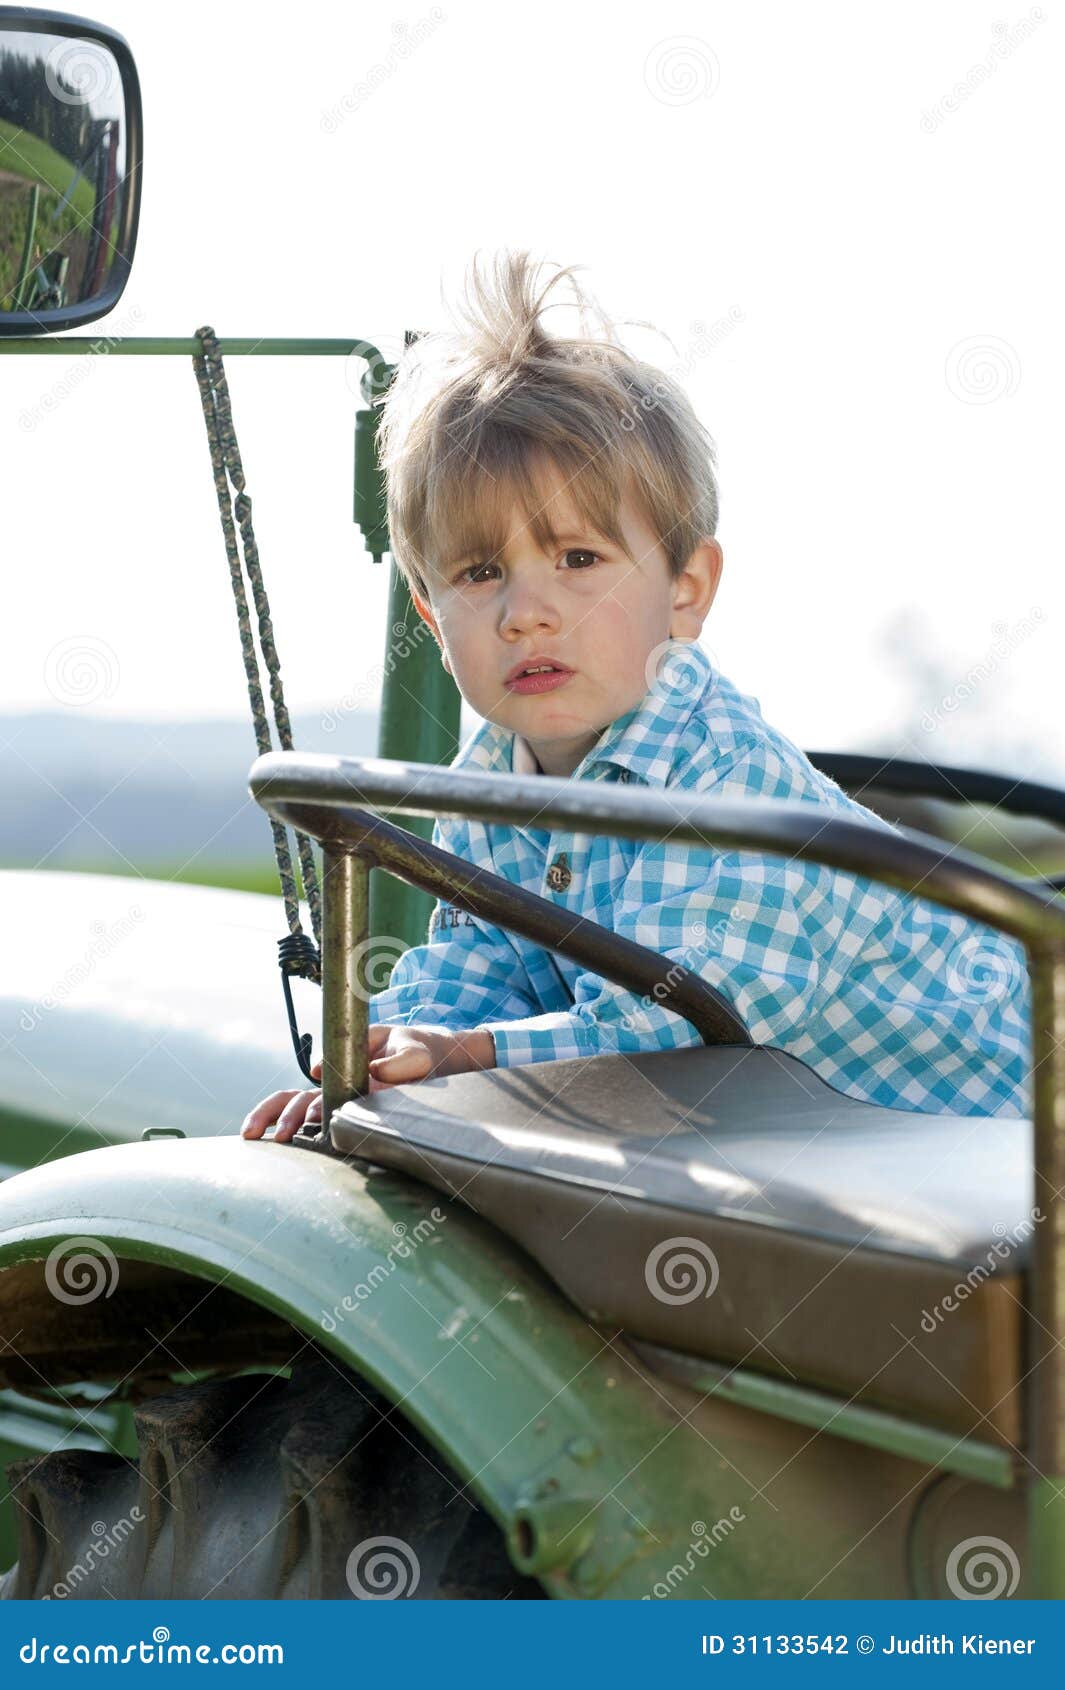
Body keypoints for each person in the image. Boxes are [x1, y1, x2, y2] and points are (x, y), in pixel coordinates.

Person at [242, 250, 1029, 1144]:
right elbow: (470, 967)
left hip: (998, 1139)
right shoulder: (489, 779)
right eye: (480, 572)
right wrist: (383, 1057)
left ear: (686, 588)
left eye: (578, 560)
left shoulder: (721, 775)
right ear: (429, 610)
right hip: (802, 1147)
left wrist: (469, 1057)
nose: (525, 614)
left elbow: (688, 1022)